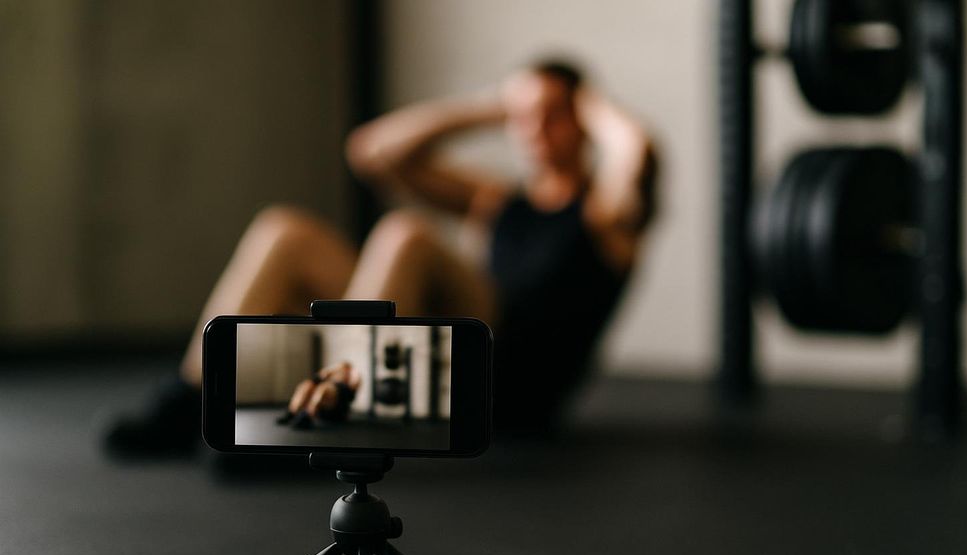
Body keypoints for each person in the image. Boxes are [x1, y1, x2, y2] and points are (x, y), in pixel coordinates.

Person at [104, 58, 657, 451]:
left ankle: (333, 419)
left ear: (583, 122)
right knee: (285, 230)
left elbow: (638, 150)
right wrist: (493, 107)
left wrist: (592, 104)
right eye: (524, 117)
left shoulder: (608, 216)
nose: (534, 128)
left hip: (511, 389)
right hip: (434, 360)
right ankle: (190, 398)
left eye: (553, 114)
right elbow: (372, 151)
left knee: (404, 235)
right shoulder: (497, 202)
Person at [276, 361, 362, 430]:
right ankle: (292, 412)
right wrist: (330, 371)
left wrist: (351, 375)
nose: (341, 373)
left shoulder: (347, 382)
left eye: (343, 371)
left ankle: (307, 416)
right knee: (307, 385)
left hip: (336, 411)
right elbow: (316, 379)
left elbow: (351, 395)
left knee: (324, 388)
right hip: (321, 409)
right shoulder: (331, 376)